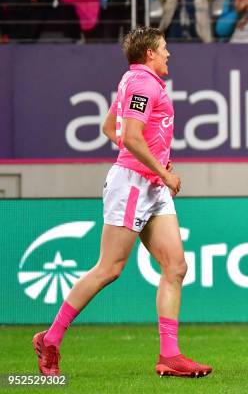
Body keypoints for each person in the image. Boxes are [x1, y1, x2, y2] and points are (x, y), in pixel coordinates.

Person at [32, 27, 213, 378]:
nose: (168, 54)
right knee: (109, 268)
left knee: (175, 267)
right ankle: (50, 338)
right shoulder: (143, 84)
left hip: (150, 184)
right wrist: (160, 168)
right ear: (149, 54)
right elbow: (128, 136)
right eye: (163, 49)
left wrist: (154, 162)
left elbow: (108, 127)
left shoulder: (133, 81)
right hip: (133, 185)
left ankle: (170, 356)